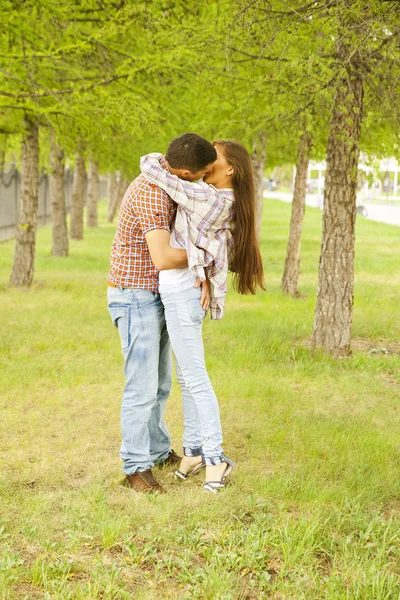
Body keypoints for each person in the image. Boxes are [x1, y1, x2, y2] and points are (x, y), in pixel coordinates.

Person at [140, 140, 264, 493]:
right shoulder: (213, 195)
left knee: (195, 378)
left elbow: (149, 165)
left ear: (231, 170)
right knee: (185, 376)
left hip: (181, 291)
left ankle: (215, 458)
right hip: (180, 288)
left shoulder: (211, 197)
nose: (207, 165)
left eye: (215, 160)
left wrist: (168, 158)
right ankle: (193, 451)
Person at [107, 133, 216, 494]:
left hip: (158, 293)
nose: (203, 181)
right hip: (136, 295)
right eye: (201, 175)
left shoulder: (166, 176)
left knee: (161, 384)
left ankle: (155, 449)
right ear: (185, 173)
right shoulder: (153, 191)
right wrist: (209, 252)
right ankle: (135, 467)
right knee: (142, 386)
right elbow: (164, 257)